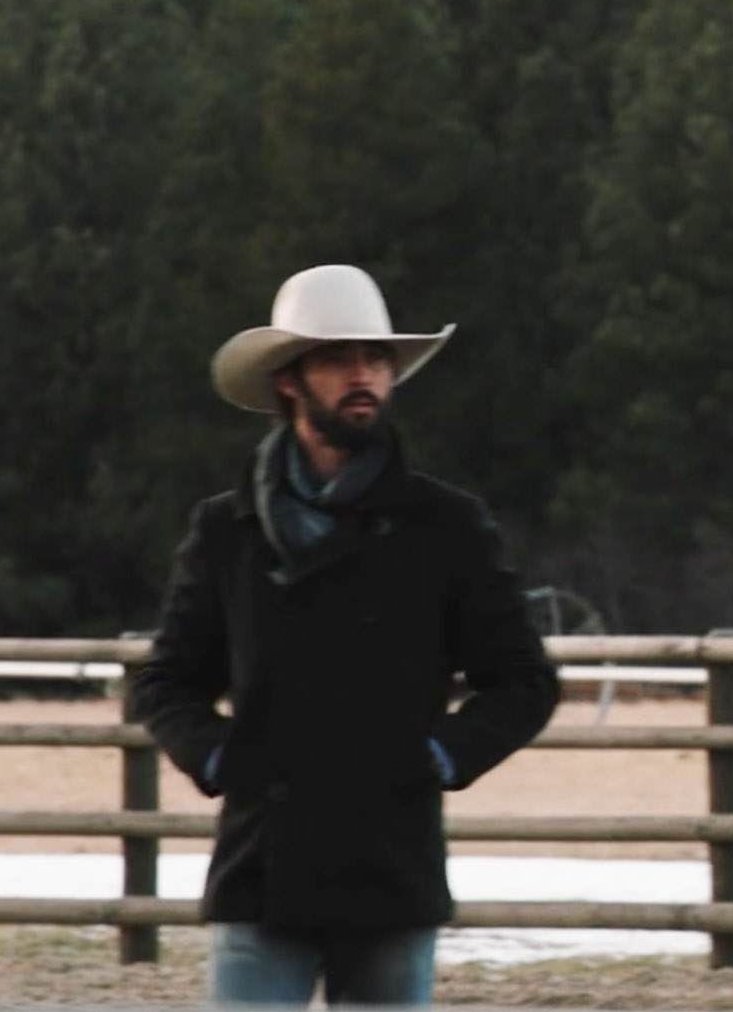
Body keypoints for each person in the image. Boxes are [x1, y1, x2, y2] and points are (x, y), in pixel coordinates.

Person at [132, 267, 560, 1006]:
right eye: (338, 359)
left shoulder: (446, 527)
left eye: (376, 359)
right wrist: (219, 754)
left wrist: (437, 756)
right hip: (263, 868)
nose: (362, 376)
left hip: (389, 868)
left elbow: (524, 680)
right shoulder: (225, 531)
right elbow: (165, 681)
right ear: (289, 381)